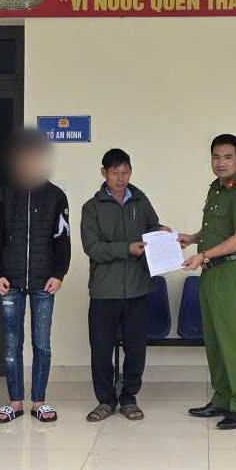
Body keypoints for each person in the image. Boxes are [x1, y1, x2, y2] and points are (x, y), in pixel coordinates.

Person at [0, 129, 70, 423]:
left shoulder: (56, 196)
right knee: (12, 345)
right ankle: (15, 402)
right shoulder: (3, 194)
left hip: (44, 282)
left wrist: (59, 273)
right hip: (10, 282)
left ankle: (39, 402)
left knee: (41, 344)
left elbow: (63, 238)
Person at [177, 134, 236, 430]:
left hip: (230, 272)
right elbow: (217, 229)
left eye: (227, 157)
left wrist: (203, 254)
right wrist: (193, 238)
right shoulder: (216, 189)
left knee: (234, 340)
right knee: (214, 340)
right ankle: (222, 398)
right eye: (216, 157)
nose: (221, 163)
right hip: (210, 272)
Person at [81, 148, 166, 422]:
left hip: (138, 288)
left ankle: (129, 398)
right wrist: (126, 248)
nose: (121, 178)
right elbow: (92, 248)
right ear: (103, 173)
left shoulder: (140, 200)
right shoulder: (91, 207)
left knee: (136, 349)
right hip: (104, 291)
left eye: (125, 172)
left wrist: (162, 234)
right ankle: (105, 400)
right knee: (101, 349)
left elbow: (151, 228)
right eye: (115, 172)